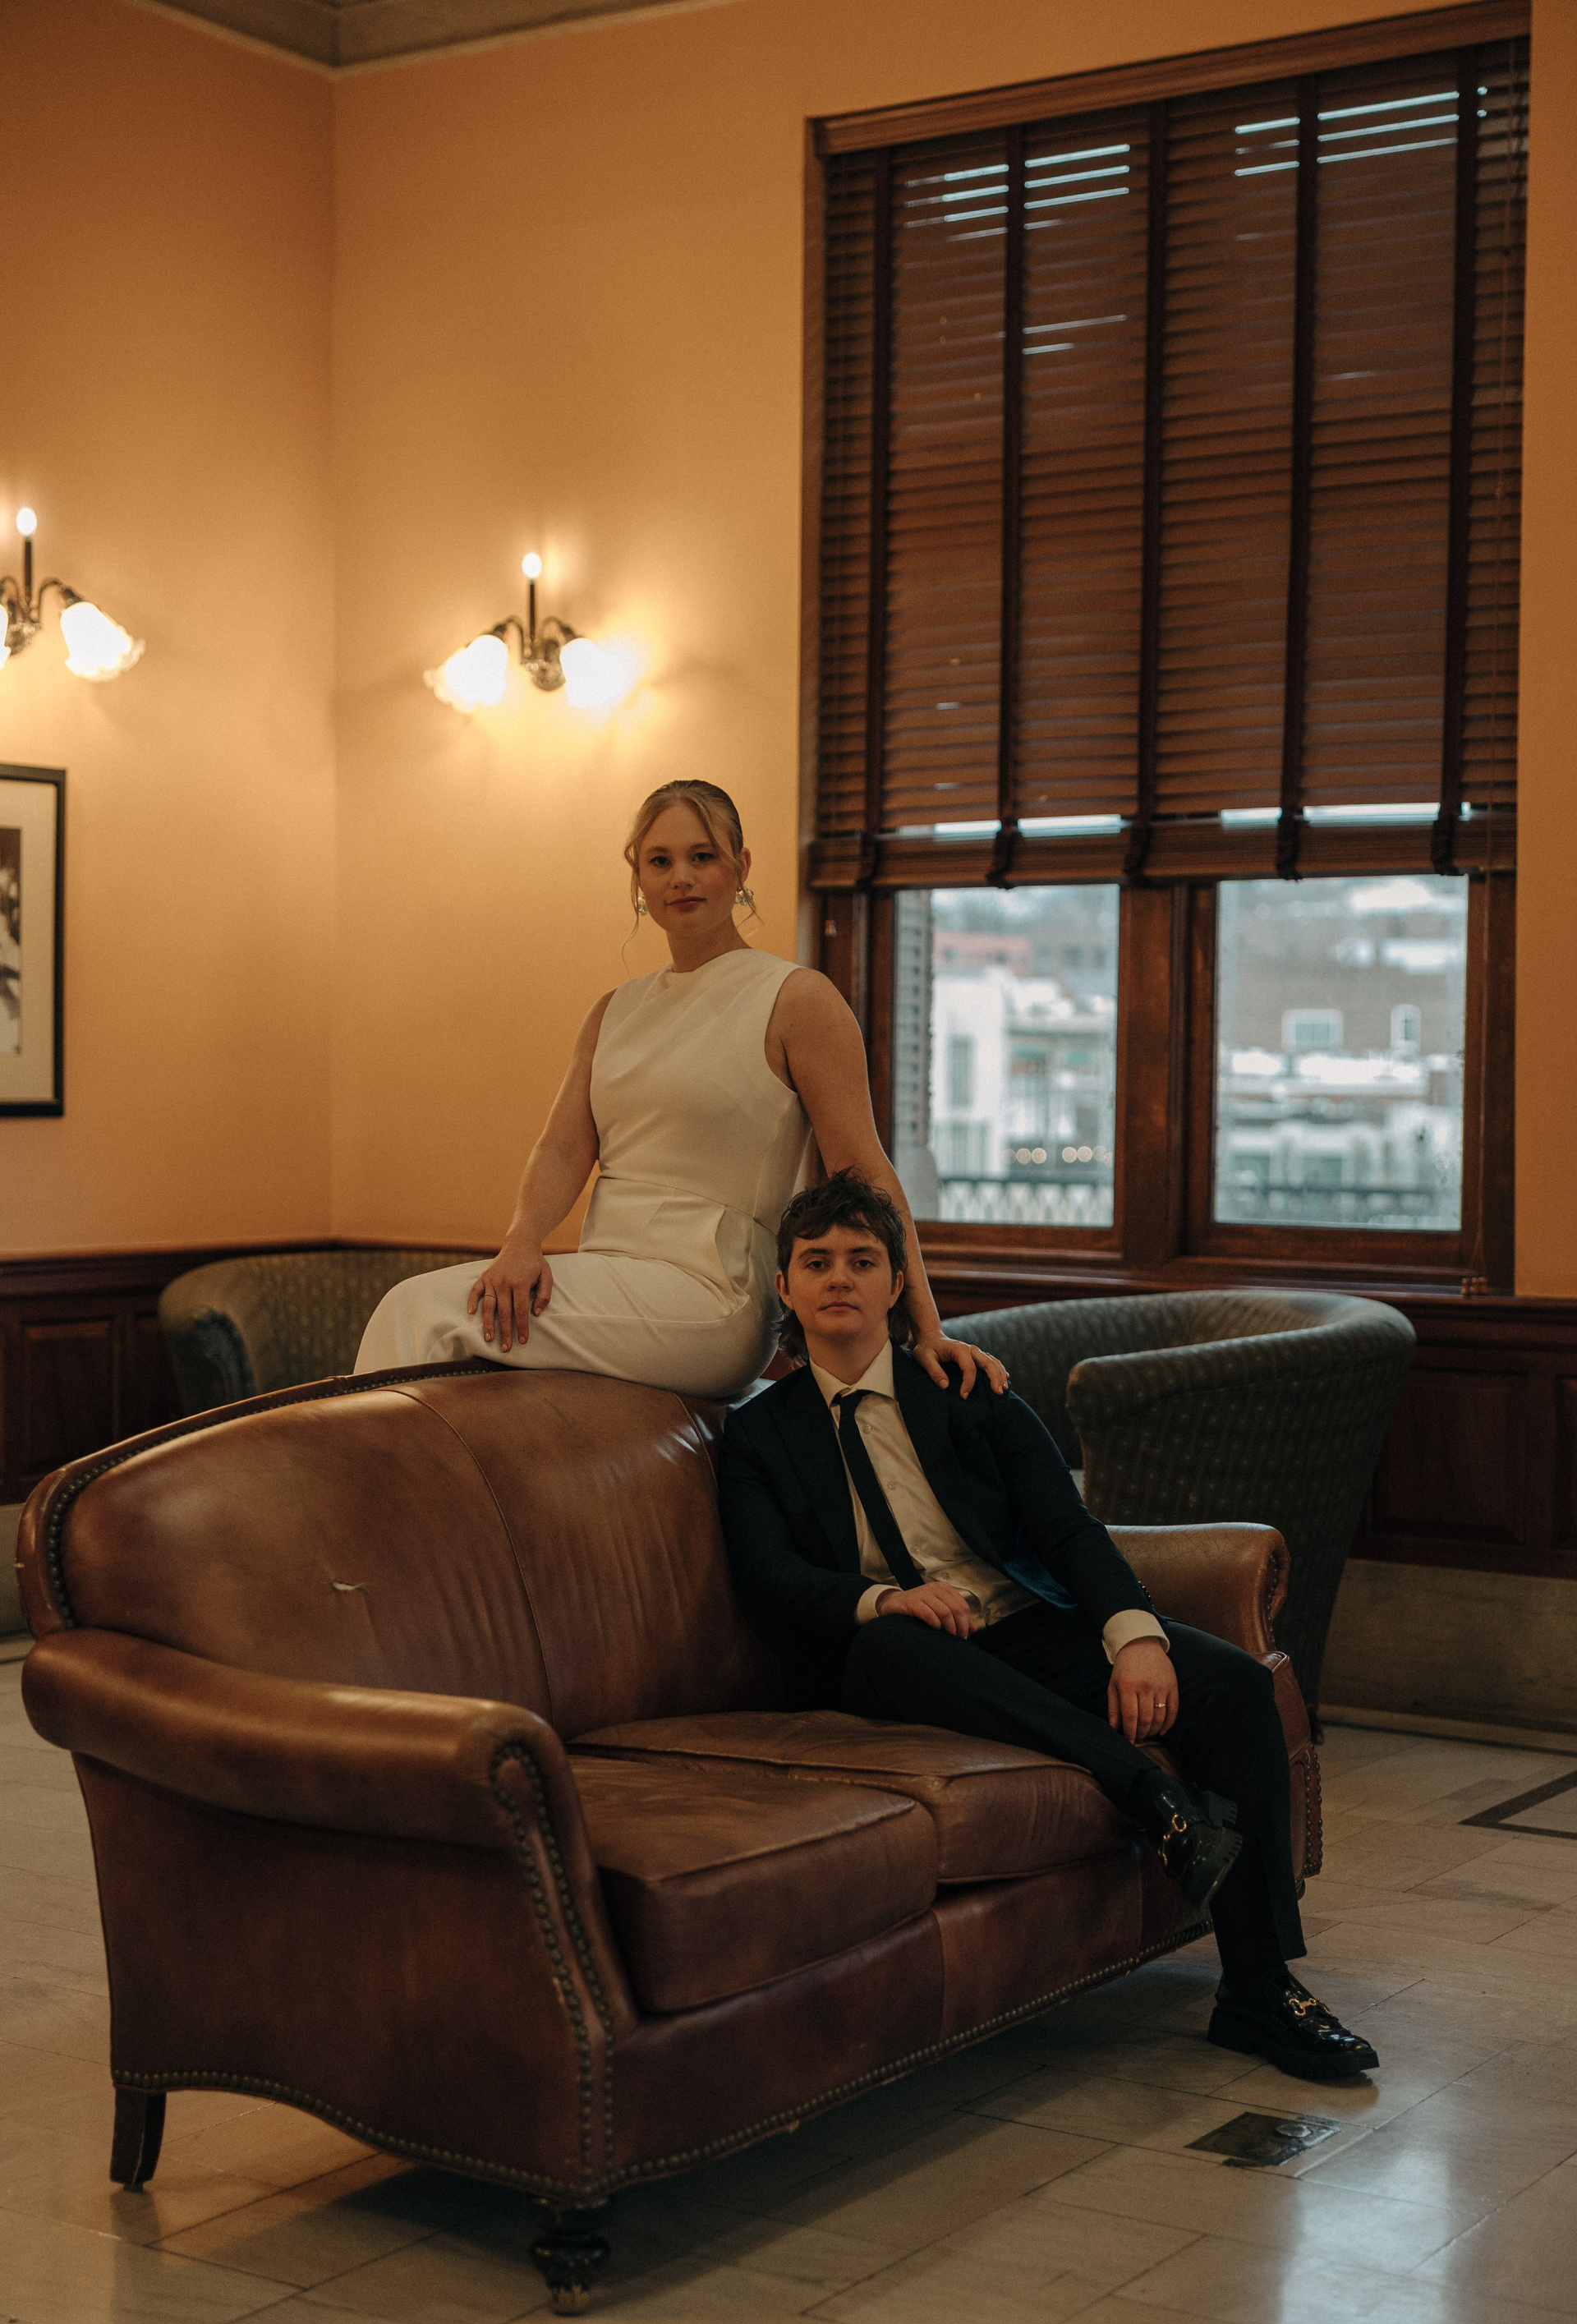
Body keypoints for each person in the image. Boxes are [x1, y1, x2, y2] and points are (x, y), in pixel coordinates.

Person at [718, 1168, 1380, 2085]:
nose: (839, 1277)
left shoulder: (966, 1389)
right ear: (784, 1287)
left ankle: (1260, 1990)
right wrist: (884, 1599)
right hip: (892, 1655)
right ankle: (1151, 1797)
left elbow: (1067, 1529)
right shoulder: (756, 1433)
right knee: (893, 1645)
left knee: (1233, 1686)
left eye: (862, 1260)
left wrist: (1133, 1636)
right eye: (817, 1261)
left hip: (1021, 1626)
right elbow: (769, 1574)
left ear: (898, 1283)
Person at [355, 780, 1008, 1403]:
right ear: (638, 879)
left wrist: (927, 1328)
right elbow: (562, 1147)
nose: (681, 878)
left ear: (740, 867)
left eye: (702, 857)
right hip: (609, 1273)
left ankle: (356, 1487)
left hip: (714, 1295)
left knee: (417, 1311)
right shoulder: (613, 1010)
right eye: (660, 861)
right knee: (426, 1319)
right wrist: (522, 1240)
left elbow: (863, 1169)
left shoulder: (797, 999)